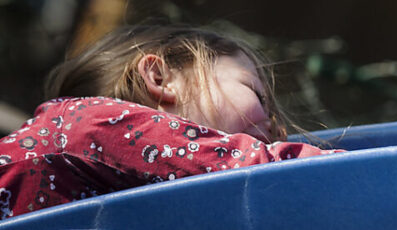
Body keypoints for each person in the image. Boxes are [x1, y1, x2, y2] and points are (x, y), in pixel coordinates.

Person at [0, 26, 340, 219]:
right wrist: (357, 171)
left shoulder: (126, 186)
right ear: (160, 77)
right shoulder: (97, 123)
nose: (276, 127)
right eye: (256, 93)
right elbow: (250, 166)